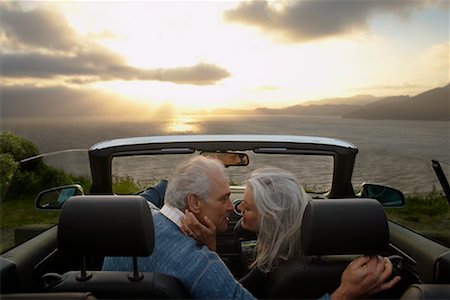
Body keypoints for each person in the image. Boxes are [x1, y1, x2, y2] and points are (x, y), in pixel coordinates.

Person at [103, 156, 399, 299]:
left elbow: (151, 198)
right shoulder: (198, 263)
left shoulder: (125, 232)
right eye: (223, 199)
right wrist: (343, 294)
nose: (231, 208)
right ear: (193, 203)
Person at [181, 165, 401, 299]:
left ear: (270, 219)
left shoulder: (288, 274)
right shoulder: (377, 267)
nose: (238, 209)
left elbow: (232, 292)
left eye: (247, 208)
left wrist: (343, 295)